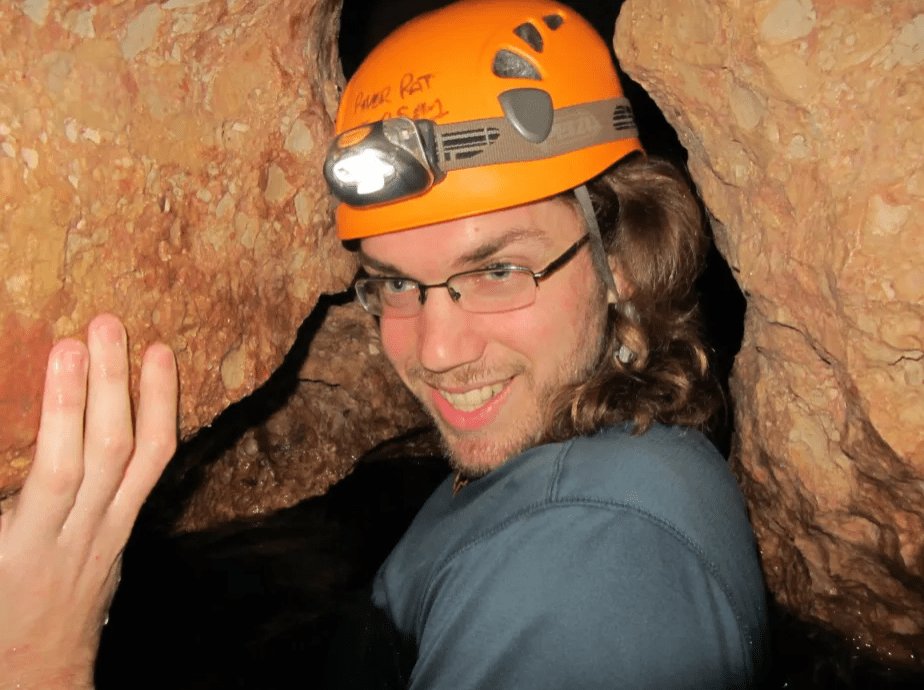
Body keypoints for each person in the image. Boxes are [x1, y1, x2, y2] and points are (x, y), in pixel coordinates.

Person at [0, 1, 768, 688]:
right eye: (397, 283)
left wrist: (39, 663)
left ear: (620, 262)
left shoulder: (596, 568)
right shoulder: (576, 444)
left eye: (497, 271)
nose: (435, 351)